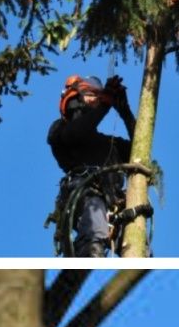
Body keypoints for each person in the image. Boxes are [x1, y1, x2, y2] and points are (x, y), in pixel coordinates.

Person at [48, 73, 135, 256]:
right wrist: (104, 105)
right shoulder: (60, 129)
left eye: (97, 95)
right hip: (85, 194)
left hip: (114, 206)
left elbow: (140, 148)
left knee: (138, 246)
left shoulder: (108, 144)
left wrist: (125, 112)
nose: (94, 99)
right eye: (89, 94)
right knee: (93, 236)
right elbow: (76, 134)